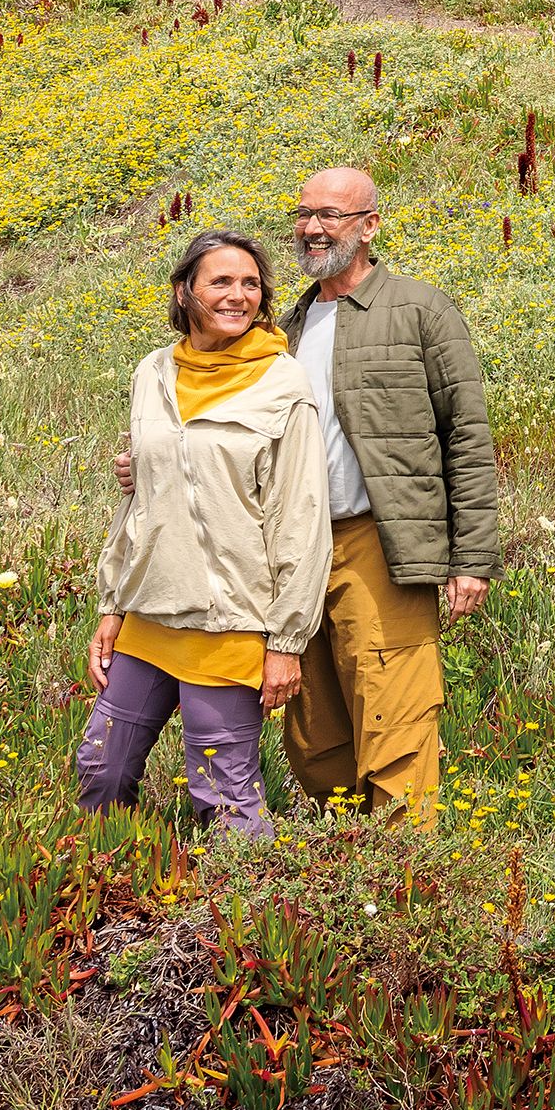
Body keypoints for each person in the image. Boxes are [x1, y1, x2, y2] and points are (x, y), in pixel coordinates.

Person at [76, 229, 330, 840]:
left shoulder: (282, 383)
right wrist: (112, 604)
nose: (238, 296)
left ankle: (245, 919)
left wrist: (287, 642)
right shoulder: (154, 372)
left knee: (220, 795)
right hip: (150, 613)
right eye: (221, 281)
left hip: (229, 621)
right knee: (100, 773)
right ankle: (108, 890)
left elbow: (303, 519)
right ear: (185, 291)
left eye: (251, 284)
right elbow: (141, 501)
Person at [280, 163, 499, 820]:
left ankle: (409, 880)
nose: (314, 229)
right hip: (296, 552)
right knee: (313, 728)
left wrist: (472, 559)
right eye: (305, 214)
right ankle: (349, 869)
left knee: (395, 714)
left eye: (332, 216)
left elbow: (466, 433)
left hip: (381, 542)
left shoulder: (419, 310)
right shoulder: (283, 328)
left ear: (370, 226)